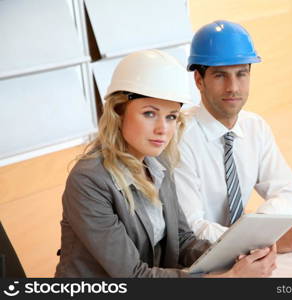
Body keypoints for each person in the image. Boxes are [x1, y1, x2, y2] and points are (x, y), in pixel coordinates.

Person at [55, 49, 277, 278]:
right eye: (150, 114)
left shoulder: (157, 162)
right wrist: (228, 278)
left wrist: (236, 256)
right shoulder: (89, 180)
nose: (163, 129)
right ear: (118, 112)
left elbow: (182, 241)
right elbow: (133, 276)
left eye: (171, 116)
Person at [174, 20, 292, 253]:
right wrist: (265, 241)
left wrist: (260, 228)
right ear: (199, 81)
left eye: (241, 74)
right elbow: (192, 229)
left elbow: (289, 190)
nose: (233, 87)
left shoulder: (255, 127)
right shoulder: (179, 138)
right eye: (221, 76)